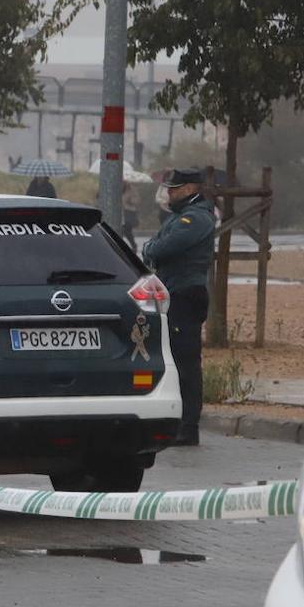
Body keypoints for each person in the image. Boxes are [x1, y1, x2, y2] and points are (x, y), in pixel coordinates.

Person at [141, 167, 216, 447]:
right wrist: (152, 247)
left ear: (190, 189)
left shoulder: (195, 218)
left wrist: (152, 248)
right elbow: (153, 245)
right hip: (173, 293)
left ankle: (189, 425)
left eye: (174, 189)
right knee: (174, 360)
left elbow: (160, 248)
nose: (169, 194)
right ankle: (179, 422)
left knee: (186, 364)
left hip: (186, 294)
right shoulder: (179, 217)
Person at [122, 183, 140, 249]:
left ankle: (133, 245)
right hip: (121, 213)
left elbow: (136, 201)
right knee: (123, 230)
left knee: (126, 230)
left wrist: (130, 199)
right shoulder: (118, 188)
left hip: (129, 212)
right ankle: (133, 245)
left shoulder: (132, 190)